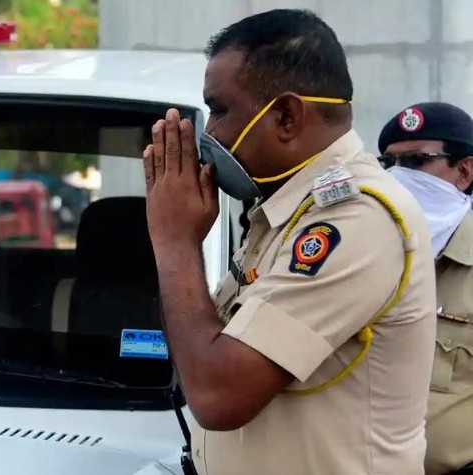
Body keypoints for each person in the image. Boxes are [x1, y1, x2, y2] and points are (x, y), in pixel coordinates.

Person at [142, 9, 436, 475]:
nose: (210, 135)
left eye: (219, 110)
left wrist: (175, 241)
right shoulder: (285, 213)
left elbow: (218, 396)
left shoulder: (355, 220)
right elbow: (202, 345)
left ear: (285, 116)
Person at [378, 101, 473, 475]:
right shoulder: (367, 252)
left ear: (465, 172)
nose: (398, 177)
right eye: (389, 164)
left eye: (416, 161)